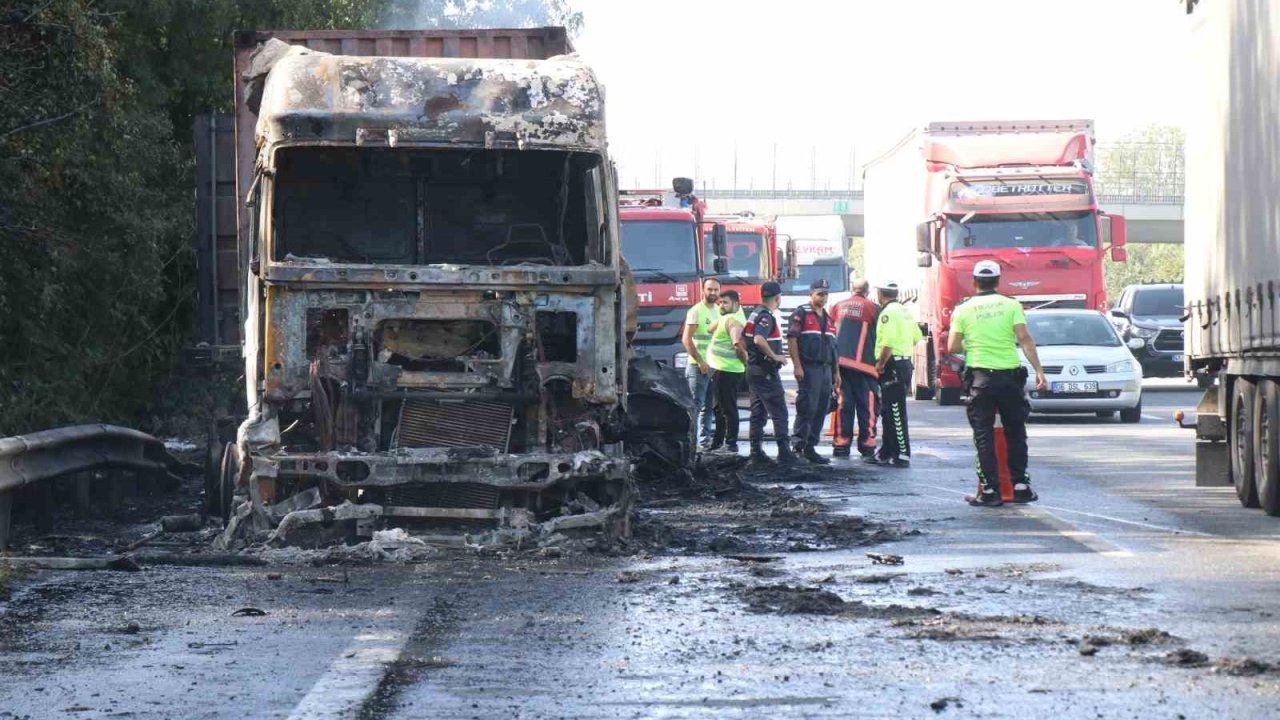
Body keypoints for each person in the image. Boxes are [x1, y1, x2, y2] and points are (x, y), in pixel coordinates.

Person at [947, 260, 1048, 507]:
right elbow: (1024, 338)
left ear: (974, 282)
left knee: (983, 435)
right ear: (998, 281)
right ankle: (1021, 486)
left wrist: (971, 344)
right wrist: (1039, 371)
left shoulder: (963, 309)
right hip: (1009, 378)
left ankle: (990, 491)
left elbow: (952, 347)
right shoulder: (1011, 305)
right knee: (1016, 431)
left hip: (980, 379)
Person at [742, 281, 798, 467]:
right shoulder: (766, 317)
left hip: (754, 370)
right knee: (779, 412)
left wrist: (750, 361)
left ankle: (756, 453)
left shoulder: (754, 313)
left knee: (757, 413)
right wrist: (774, 356)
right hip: (765, 372)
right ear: (777, 298)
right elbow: (758, 339)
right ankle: (784, 453)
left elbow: (743, 341)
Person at [870, 281, 922, 467]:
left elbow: (888, 342)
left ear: (880, 294)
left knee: (895, 411)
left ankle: (902, 452)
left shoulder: (888, 313)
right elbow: (916, 337)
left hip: (892, 365)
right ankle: (887, 450)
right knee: (888, 410)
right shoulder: (904, 310)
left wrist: (881, 363)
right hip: (904, 362)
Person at [787, 279, 839, 465]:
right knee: (807, 406)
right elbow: (792, 340)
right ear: (811, 294)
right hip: (809, 368)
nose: (823, 297)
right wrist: (797, 365)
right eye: (819, 294)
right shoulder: (801, 313)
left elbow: (834, 349)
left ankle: (811, 447)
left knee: (821, 408)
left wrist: (836, 374)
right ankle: (799, 446)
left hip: (825, 370)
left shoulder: (829, 318)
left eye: (825, 294)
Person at [829, 278, 880, 459]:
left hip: (840, 365)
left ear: (852, 289)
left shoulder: (837, 306)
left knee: (843, 405)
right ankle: (867, 444)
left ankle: (841, 444)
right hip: (865, 367)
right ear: (867, 291)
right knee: (868, 406)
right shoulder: (874, 308)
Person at [706, 289, 748, 453]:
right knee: (719, 408)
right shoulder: (726, 317)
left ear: (736, 304)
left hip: (728, 370)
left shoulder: (733, 321)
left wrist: (746, 364)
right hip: (720, 369)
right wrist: (720, 315)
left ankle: (731, 444)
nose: (721, 305)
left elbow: (737, 344)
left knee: (728, 408)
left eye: (725, 303)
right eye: (720, 303)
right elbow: (710, 328)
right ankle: (717, 442)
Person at [682, 277, 720, 448]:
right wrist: (700, 361)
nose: (713, 293)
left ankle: (704, 443)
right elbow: (686, 339)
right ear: (703, 290)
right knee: (695, 406)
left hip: (715, 367)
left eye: (715, 290)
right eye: (709, 289)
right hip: (698, 367)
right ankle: (690, 443)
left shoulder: (719, 311)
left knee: (709, 407)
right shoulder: (696, 311)